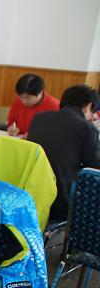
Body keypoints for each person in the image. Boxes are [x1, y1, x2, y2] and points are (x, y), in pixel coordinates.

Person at [28, 85, 100, 221]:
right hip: (60, 202)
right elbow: (94, 169)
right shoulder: (87, 128)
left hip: (30, 193)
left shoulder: (38, 118)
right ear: (88, 106)